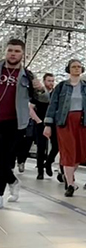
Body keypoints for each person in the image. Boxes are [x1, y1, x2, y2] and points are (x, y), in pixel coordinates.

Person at [43, 60, 86, 197]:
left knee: (80, 154)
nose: (76, 69)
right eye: (73, 67)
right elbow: (53, 105)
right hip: (65, 122)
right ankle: (70, 184)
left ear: (82, 69)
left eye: (79, 67)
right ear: (68, 69)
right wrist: (48, 125)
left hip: (84, 122)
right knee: (68, 151)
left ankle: (66, 175)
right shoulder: (61, 87)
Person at [0, 39, 41, 208]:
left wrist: (39, 88)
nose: (13, 53)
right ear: (5, 51)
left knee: (2, 157)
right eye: (10, 50)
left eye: (17, 51)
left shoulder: (28, 76)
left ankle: (0, 194)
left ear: (23, 54)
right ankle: (12, 180)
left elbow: (42, 98)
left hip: (14, 122)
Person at [30, 73, 58, 180]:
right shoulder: (38, 94)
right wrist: (38, 120)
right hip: (41, 123)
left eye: (52, 81)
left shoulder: (56, 93)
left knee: (56, 145)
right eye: (49, 80)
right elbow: (31, 108)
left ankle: (49, 162)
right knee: (41, 147)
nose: (51, 83)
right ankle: (40, 171)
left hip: (53, 123)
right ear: (44, 81)